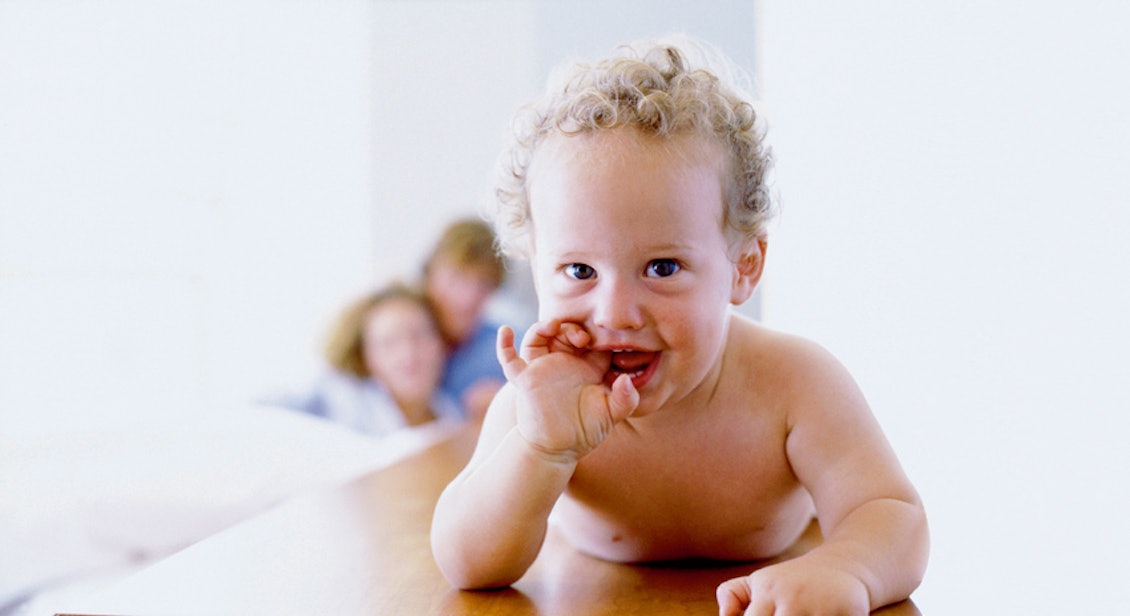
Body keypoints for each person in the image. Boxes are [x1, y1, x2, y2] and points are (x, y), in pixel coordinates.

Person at [430, 35, 928, 615]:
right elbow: (467, 565)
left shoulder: (796, 384)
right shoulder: (538, 407)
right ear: (534, 265)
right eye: (579, 270)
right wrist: (541, 451)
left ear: (743, 267)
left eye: (662, 267)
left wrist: (845, 568)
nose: (615, 313)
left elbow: (892, 514)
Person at [295, 282, 462, 454]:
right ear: (366, 357)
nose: (409, 354)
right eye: (388, 343)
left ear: (440, 342)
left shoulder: (451, 411)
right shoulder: (340, 404)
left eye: (418, 335)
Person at [422, 218, 510, 420]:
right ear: (430, 273)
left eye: (483, 283)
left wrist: (508, 403)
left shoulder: (504, 347)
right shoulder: (396, 328)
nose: (468, 297)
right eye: (456, 278)